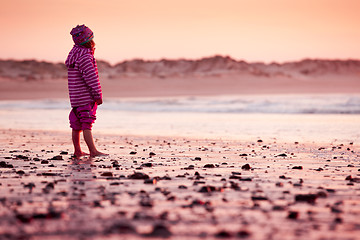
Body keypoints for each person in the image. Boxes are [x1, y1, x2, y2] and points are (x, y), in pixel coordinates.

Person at [65, 24, 107, 158]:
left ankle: (77, 150)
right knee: (87, 124)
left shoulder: (74, 55)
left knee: (76, 125)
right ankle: (93, 151)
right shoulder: (85, 57)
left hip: (75, 98)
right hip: (86, 97)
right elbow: (91, 78)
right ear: (90, 40)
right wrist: (97, 95)